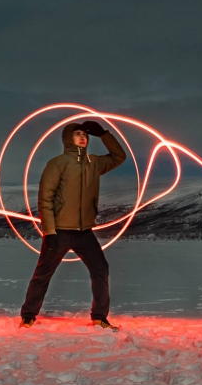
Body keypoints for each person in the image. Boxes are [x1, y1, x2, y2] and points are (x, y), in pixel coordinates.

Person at [19, 120, 126, 331]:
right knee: (43, 274)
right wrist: (49, 232)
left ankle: (99, 317)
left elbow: (119, 157)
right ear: (68, 138)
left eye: (85, 134)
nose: (82, 137)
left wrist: (104, 134)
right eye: (77, 133)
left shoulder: (93, 163)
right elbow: (45, 199)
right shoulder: (57, 164)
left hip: (84, 232)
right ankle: (28, 316)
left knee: (100, 269)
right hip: (59, 231)